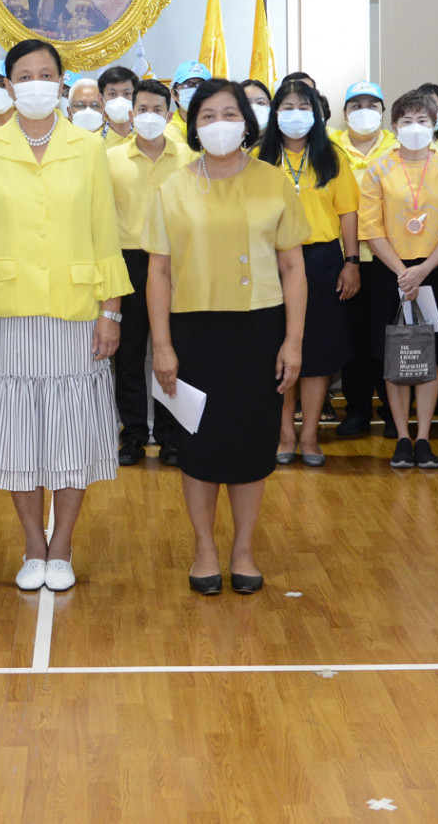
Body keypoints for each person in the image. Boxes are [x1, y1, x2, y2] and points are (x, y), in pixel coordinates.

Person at [0, 38, 130, 594]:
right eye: (22, 74)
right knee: (17, 435)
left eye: (44, 73)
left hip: (77, 311)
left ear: (60, 82)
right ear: (7, 85)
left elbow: (106, 234)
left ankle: (63, 545)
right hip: (6, 311)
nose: (34, 82)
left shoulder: (87, 146)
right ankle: (32, 545)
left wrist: (111, 312)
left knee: (73, 431)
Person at [147, 80, 307, 595]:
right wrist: (163, 345)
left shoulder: (274, 180)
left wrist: (294, 341)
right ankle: (204, 548)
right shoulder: (172, 186)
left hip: (260, 329)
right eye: (208, 115)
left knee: (250, 444)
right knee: (198, 446)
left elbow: (292, 267)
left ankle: (242, 549)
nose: (220, 123)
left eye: (230, 113)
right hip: (194, 332)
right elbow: (158, 274)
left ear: (247, 121)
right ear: (193, 125)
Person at [360, 90, 438, 469]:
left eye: (423, 120)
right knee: (396, 354)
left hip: (434, 271)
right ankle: (402, 437)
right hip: (389, 271)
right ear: (394, 127)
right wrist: (402, 272)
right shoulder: (378, 169)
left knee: (429, 356)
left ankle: (424, 437)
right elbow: (371, 229)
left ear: (436, 124)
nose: (414, 127)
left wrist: (422, 270)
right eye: (406, 121)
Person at [256, 78, 360, 466]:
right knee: (279, 347)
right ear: (274, 113)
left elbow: (348, 212)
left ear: (316, 114)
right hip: (271, 259)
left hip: (322, 260)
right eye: (287, 108)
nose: (295, 115)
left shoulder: (332, 156)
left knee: (317, 351)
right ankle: (284, 433)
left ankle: (311, 435)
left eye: (304, 108)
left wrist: (352, 262)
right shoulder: (258, 156)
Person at [106, 79, 193, 464]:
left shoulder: (191, 157)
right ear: (130, 113)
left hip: (176, 265)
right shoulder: (110, 160)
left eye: (157, 110)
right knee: (127, 355)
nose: (149, 116)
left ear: (170, 114)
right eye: (142, 109)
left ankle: (173, 437)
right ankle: (134, 434)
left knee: (173, 352)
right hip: (127, 265)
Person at [328, 80, 395, 439]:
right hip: (345, 260)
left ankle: (391, 408)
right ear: (345, 113)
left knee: (387, 337)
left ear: (383, 113)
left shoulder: (398, 147)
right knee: (352, 339)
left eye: (372, 105)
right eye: (356, 106)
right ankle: (356, 409)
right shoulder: (330, 147)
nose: (364, 111)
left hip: (389, 258)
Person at [167, 62, 211, 142]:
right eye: (188, 85)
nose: (194, 90)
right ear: (174, 93)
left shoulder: (218, 132)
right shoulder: (166, 137)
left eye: (200, 85)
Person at [98, 65, 140, 144]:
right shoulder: (93, 141)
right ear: (101, 99)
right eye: (112, 94)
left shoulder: (147, 138)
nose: (120, 99)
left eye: (127, 93)